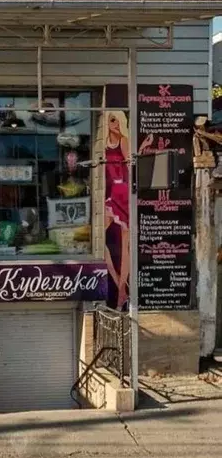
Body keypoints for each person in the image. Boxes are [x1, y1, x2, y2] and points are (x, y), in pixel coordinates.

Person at [104, 111, 129, 309]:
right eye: (112, 119)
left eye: (119, 120)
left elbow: (131, 166)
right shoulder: (102, 145)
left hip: (122, 193)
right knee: (101, 241)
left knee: (125, 244)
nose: (116, 123)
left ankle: (121, 291)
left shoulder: (124, 141)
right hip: (107, 194)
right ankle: (120, 286)